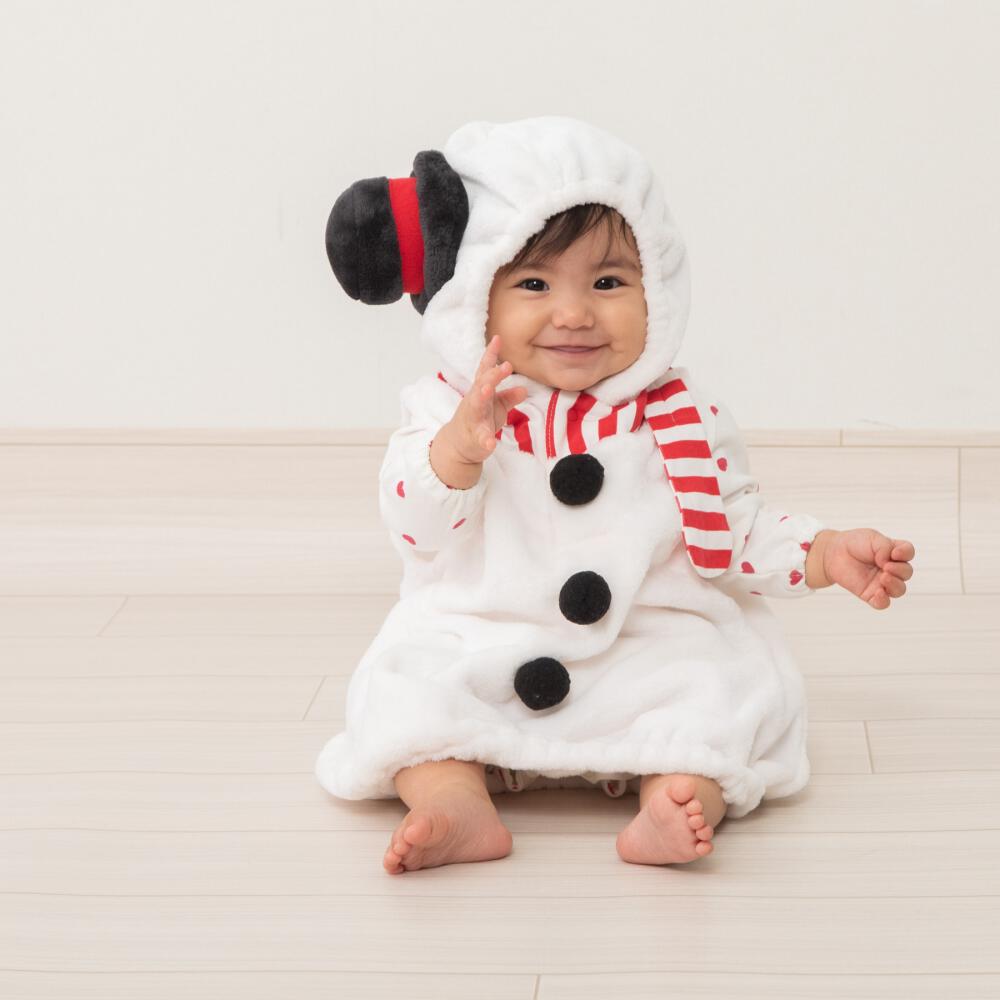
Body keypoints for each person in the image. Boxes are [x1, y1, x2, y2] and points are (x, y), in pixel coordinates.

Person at [316, 116, 915, 875]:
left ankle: (677, 798)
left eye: (607, 283)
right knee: (410, 692)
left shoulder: (678, 418)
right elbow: (415, 529)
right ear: (476, 298)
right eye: (533, 284)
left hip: (643, 647)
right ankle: (453, 800)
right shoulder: (450, 408)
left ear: (656, 288)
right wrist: (458, 452)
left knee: (716, 697)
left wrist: (825, 553)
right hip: (483, 637)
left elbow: (735, 529)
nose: (574, 314)